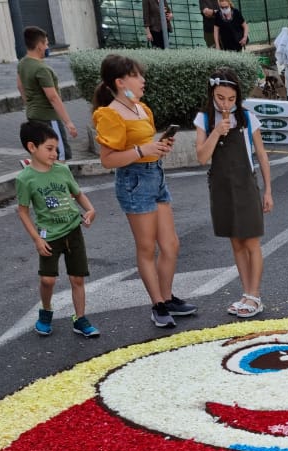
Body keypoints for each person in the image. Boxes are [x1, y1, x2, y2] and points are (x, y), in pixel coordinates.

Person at [91, 54, 195, 329]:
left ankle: (168, 296)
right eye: (137, 75)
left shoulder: (141, 109)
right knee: (147, 247)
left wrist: (159, 148)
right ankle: (158, 304)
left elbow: (145, 146)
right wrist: (142, 150)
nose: (142, 80)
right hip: (134, 182)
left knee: (171, 244)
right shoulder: (110, 114)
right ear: (120, 81)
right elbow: (108, 159)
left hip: (155, 176)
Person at [194, 69, 274, 317]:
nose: (225, 104)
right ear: (212, 94)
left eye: (230, 99)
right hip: (220, 187)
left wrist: (268, 190)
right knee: (236, 242)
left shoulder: (248, 118)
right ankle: (245, 293)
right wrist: (216, 131)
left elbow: (261, 154)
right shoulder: (204, 119)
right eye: (220, 98)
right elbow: (201, 157)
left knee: (251, 241)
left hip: (245, 185)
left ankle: (255, 295)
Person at [14, 120, 97, 339]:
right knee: (47, 279)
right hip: (48, 235)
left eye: (56, 149)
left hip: (73, 230)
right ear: (32, 147)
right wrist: (36, 240)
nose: (54, 153)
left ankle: (80, 319)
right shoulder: (25, 179)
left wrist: (89, 210)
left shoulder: (62, 170)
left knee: (77, 278)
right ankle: (46, 310)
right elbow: (22, 211)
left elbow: (77, 194)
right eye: (49, 149)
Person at [17, 26, 77, 160]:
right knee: (58, 155)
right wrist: (68, 122)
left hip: (32, 115)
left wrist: (30, 104)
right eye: (46, 44)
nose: (47, 47)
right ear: (39, 45)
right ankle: (60, 181)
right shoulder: (42, 69)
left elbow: (20, 86)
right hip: (49, 118)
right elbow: (53, 97)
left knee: (43, 153)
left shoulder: (22, 63)